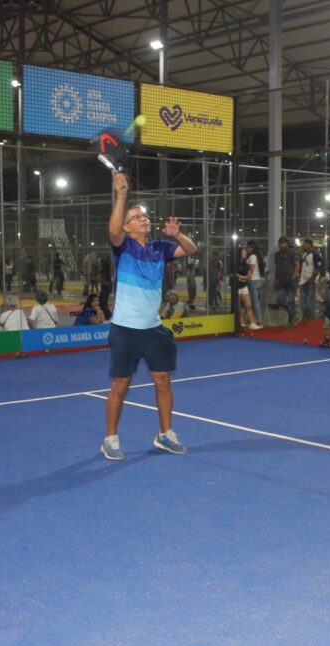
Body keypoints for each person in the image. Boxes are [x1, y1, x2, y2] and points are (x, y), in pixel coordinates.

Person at [100, 172, 198, 461]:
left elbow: (191, 249)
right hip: (125, 330)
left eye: (144, 216)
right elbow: (113, 230)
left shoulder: (160, 248)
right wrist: (121, 196)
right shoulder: (122, 247)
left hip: (153, 330)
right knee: (120, 386)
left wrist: (176, 235)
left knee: (163, 381)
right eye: (136, 217)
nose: (144, 219)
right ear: (127, 227)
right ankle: (110, 439)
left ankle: (165, 434)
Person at [270, 236, 300, 322]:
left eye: (283, 243)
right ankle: (292, 312)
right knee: (280, 299)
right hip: (281, 281)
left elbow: (297, 265)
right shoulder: (277, 254)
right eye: (280, 243)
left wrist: (293, 277)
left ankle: (292, 317)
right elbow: (277, 268)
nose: (281, 245)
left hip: (291, 280)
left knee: (290, 299)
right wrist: (276, 280)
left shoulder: (292, 252)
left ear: (286, 243)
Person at [234, 245, 262, 330]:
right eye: (244, 252)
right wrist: (242, 277)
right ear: (240, 253)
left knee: (249, 305)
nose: (245, 253)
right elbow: (236, 276)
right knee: (237, 306)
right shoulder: (234, 264)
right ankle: (239, 323)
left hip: (244, 286)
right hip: (236, 287)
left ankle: (252, 323)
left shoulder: (245, 263)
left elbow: (249, 276)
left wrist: (242, 277)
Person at [298, 238, 323, 320]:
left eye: (305, 244)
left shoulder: (316, 255)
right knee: (303, 300)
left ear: (310, 245)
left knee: (311, 300)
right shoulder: (304, 255)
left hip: (310, 280)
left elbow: (317, 269)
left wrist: (312, 278)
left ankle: (311, 317)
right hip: (303, 280)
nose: (303, 246)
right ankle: (305, 316)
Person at [244, 240, 266, 326]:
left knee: (254, 302)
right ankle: (249, 318)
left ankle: (258, 320)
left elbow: (251, 270)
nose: (246, 249)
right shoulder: (257, 256)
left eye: (247, 247)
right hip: (258, 280)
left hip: (253, 281)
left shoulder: (252, 256)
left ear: (252, 248)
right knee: (253, 301)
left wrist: (246, 277)